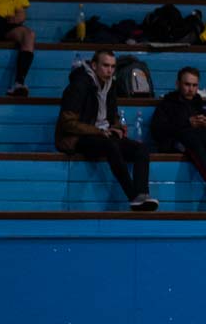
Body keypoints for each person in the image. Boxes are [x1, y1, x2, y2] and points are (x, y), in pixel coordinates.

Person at [55, 49, 159, 211]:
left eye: (112, 66)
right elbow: (68, 123)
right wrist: (99, 131)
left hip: (103, 135)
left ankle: (142, 194)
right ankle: (133, 196)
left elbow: (111, 117)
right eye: (105, 66)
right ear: (94, 65)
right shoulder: (79, 86)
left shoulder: (111, 85)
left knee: (141, 149)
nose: (109, 71)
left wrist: (117, 127)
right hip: (77, 138)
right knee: (111, 145)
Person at [151, 66, 206, 210]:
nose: (191, 89)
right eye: (187, 84)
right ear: (178, 84)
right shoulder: (167, 104)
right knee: (192, 139)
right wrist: (187, 123)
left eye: (194, 85)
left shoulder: (205, 105)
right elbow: (158, 130)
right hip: (181, 141)